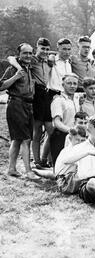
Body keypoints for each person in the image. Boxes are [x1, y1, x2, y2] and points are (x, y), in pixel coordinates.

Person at [8, 38, 54, 170]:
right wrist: (17, 69)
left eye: (47, 49)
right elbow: (11, 58)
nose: (45, 51)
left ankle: (46, 158)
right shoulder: (31, 60)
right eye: (42, 49)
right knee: (36, 128)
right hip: (34, 94)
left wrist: (51, 57)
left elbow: (53, 55)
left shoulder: (49, 61)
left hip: (45, 93)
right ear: (37, 48)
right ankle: (36, 160)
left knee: (49, 128)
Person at [0, 43, 39, 179]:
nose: (28, 55)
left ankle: (11, 169)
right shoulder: (13, 68)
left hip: (28, 105)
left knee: (17, 139)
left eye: (30, 53)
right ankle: (28, 171)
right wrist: (16, 76)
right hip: (16, 104)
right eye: (25, 53)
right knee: (25, 139)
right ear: (19, 54)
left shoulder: (31, 67)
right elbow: (1, 86)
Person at [50, 73, 80, 167]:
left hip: (74, 136)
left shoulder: (76, 98)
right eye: (69, 83)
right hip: (61, 136)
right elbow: (57, 122)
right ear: (63, 85)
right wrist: (69, 130)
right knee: (60, 167)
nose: (72, 86)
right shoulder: (58, 100)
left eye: (75, 84)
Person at [54, 125, 87, 190]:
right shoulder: (68, 150)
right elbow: (67, 160)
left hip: (71, 177)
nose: (80, 143)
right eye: (77, 140)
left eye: (82, 140)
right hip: (64, 181)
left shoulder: (79, 148)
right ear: (70, 139)